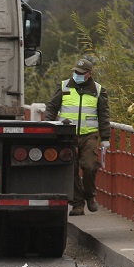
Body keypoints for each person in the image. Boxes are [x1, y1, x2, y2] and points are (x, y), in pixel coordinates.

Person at [44, 57, 111, 216]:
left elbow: (104, 115)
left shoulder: (98, 90)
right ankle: (77, 204)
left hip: (89, 135)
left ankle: (90, 196)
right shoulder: (64, 86)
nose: (77, 75)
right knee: (71, 169)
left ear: (89, 74)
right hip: (68, 135)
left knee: (89, 166)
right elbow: (52, 108)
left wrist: (106, 138)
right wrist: (47, 126)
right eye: (76, 72)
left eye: (81, 73)